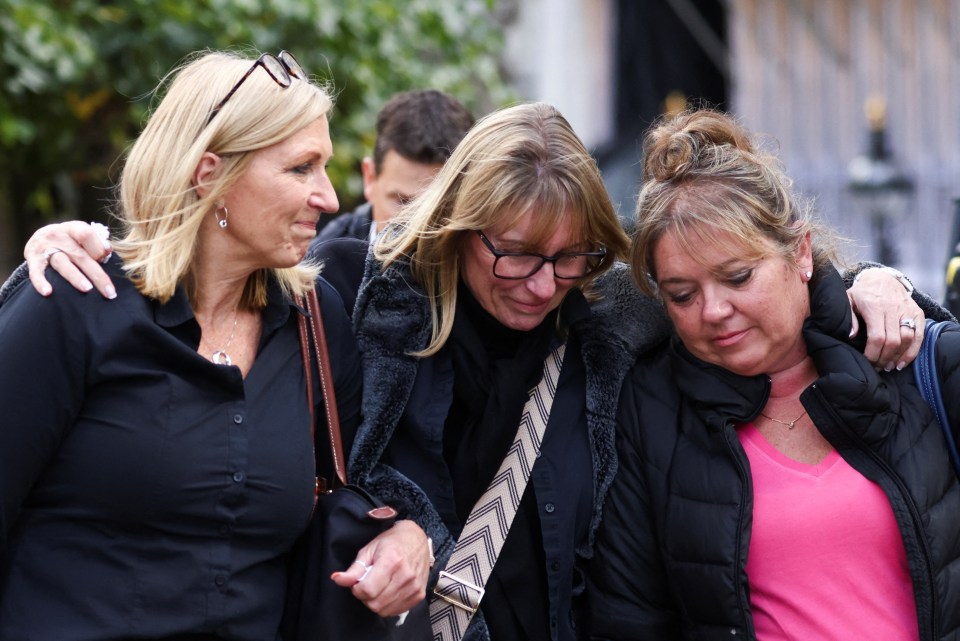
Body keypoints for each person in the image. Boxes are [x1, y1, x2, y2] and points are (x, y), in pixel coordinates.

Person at [5, 104, 939, 641]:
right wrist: (83, 243)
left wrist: (871, 286)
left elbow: (749, 276)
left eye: (572, 258)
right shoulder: (357, 302)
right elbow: (226, 267)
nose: (544, 284)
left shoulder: (610, 320)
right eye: (517, 254)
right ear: (458, 228)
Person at [0, 49, 430, 640]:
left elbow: (375, 478)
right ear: (211, 175)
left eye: (325, 167)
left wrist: (408, 535)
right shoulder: (75, 301)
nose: (330, 199)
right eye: (301, 168)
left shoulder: (315, 320)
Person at [584, 109, 960, 641]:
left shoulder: (916, 360)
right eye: (682, 294)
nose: (713, 310)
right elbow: (629, 620)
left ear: (800, 252)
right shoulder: (649, 413)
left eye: (737, 277)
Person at [316, 88, 475, 244]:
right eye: (403, 202)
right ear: (370, 178)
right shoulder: (323, 263)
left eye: (439, 207)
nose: (417, 227)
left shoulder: (487, 257)